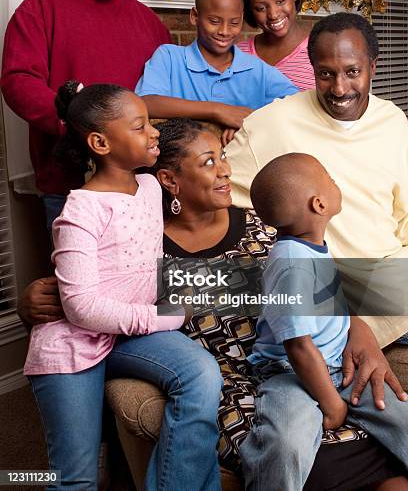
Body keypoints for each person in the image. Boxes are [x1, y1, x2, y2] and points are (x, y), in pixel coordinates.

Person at [21, 118, 407, 490]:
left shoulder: (266, 224)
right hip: (235, 384)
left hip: (314, 362)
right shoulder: (145, 248)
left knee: (390, 451)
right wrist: (30, 304)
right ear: (169, 180)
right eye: (209, 162)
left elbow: (315, 289)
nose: (225, 171)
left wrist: (361, 332)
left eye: (223, 157)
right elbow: (80, 296)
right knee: (300, 457)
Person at [24, 83, 222, 491]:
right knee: (74, 478)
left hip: (125, 336)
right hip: (75, 344)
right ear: (99, 142)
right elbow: (81, 308)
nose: (154, 133)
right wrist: (163, 315)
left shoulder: (150, 187)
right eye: (140, 126)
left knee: (201, 373)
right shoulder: (80, 210)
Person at [226, 12, 408, 350]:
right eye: (326, 74)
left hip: (390, 283)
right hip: (324, 291)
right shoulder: (270, 125)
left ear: (373, 66)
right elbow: (220, 200)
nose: (339, 89)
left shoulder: (393, 121)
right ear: (313, 71)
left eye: (353, 72)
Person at [240, 152, 408, 491]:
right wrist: (330, 402)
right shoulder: (291, 264)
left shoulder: (310, 246)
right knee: (286, 442)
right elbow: (298, 346)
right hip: (291, 373)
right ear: (319, 204)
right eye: (330, 178)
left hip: (336, 365)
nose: (335, 183)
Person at [0, 0, 170, 230]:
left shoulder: (150, 23)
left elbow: (165, 93)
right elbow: (18, 80)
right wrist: (73, 123)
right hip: (68, 185)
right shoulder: (39, 9)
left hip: (140, 184)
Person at [136, 0, 297, 145]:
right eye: (214, 21)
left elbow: (298, 107)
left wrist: (248, 124)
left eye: (234, 23)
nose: (224, 31)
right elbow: (146, 103)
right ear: (195, 16)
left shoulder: (258, 70)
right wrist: (218, 111)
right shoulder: (169, 57)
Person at [236, 0, 315, 91]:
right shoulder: (238, 54)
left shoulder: (319, 49)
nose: (273, 14)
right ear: (250, 10)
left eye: (280, 1)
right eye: (261, 8)